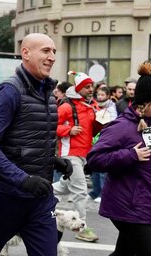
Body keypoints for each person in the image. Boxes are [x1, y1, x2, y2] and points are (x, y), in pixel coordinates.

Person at [0, 33, 72, 256]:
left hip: (40, 199)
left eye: (54, 51)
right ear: (26, 53)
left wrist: (53, 160)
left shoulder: (49, 94)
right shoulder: (9, 91)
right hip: (6, 197)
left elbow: (25, 141)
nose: (52, 57)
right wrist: (23, 179)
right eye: (45, 51)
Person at [87, 61, 151, 256]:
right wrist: (130, 155)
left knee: (123, 253)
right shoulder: (122, 126)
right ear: (145, 101)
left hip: (148, 206)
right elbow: (94, 159)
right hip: (127, 205)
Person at [54, 71, 100, 242]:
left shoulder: (90, 106)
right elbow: (51, 126)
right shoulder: (67, 106)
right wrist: (68, 130)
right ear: (79, 88)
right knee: (80, 190)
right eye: (87, 87)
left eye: (91, 86)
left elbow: (91, 130)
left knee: (63, 187)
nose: (91, 89)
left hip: (83, 154)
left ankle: (35, 196)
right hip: (70, 155)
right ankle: (83, 228)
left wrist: (100, 123)